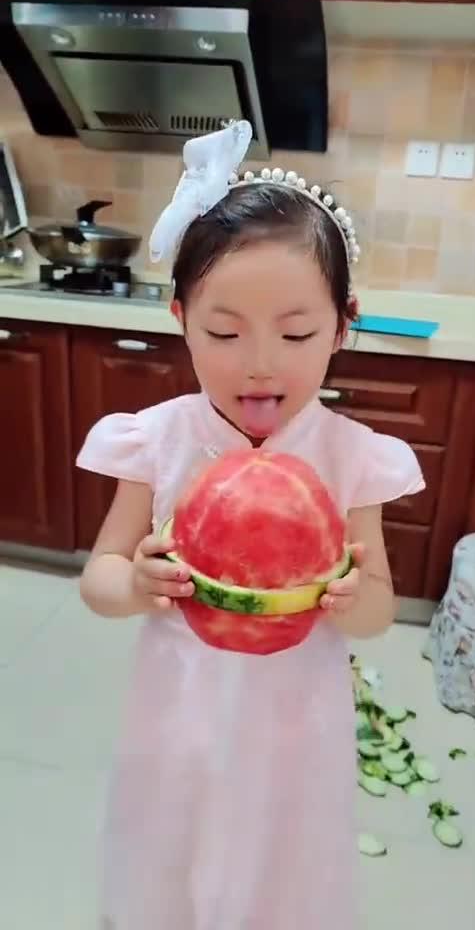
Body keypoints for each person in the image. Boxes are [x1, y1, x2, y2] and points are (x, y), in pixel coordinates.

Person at [78, 120, 424, 930]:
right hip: (180, 714)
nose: (260, 362)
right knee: (172, 853)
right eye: (224, 333)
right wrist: (135, 583)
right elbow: (99, 578)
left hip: (294, 727)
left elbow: (377, 610)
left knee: (278, 867)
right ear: (180, 318)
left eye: (297, 333)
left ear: (343, 325)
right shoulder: (157, 440)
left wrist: (351, 596)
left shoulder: (352, 458)